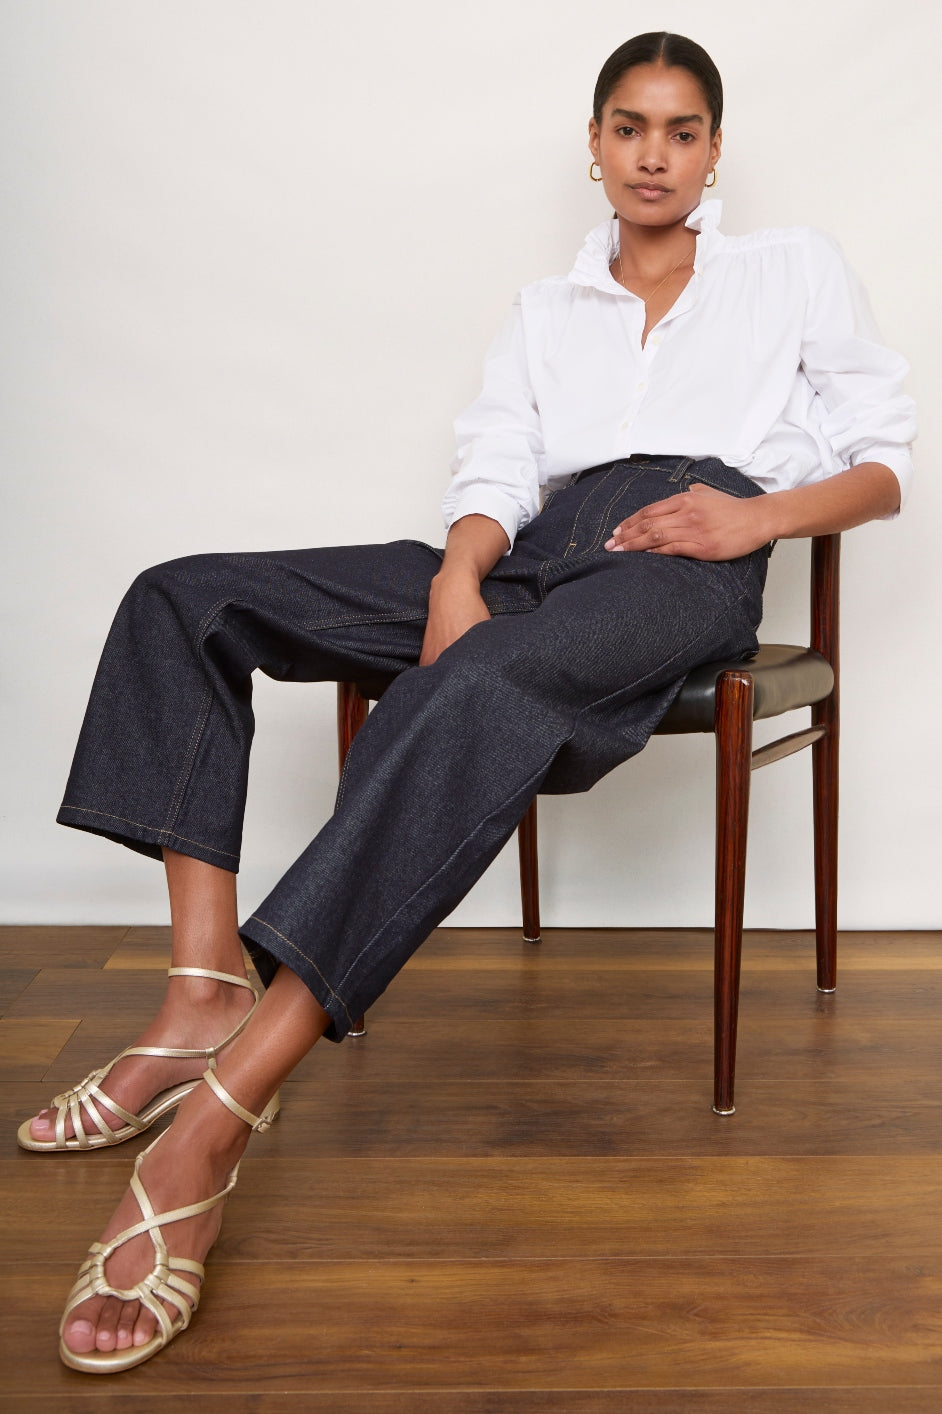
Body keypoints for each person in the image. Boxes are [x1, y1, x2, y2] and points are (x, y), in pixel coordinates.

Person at [21, 32, 914, 1374]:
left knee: (483, 682)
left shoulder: (790, 269)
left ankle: (216, 1117)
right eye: (629, 128)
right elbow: (498, 457)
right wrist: (456, 574)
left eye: (680, 131)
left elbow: (884, 462)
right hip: (532, 552)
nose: (654, 155)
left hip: (684, 558)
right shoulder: (547, 307)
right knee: (184, 597)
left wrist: (753, 521)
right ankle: (200, 989)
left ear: (714, 149)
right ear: (594, 146)